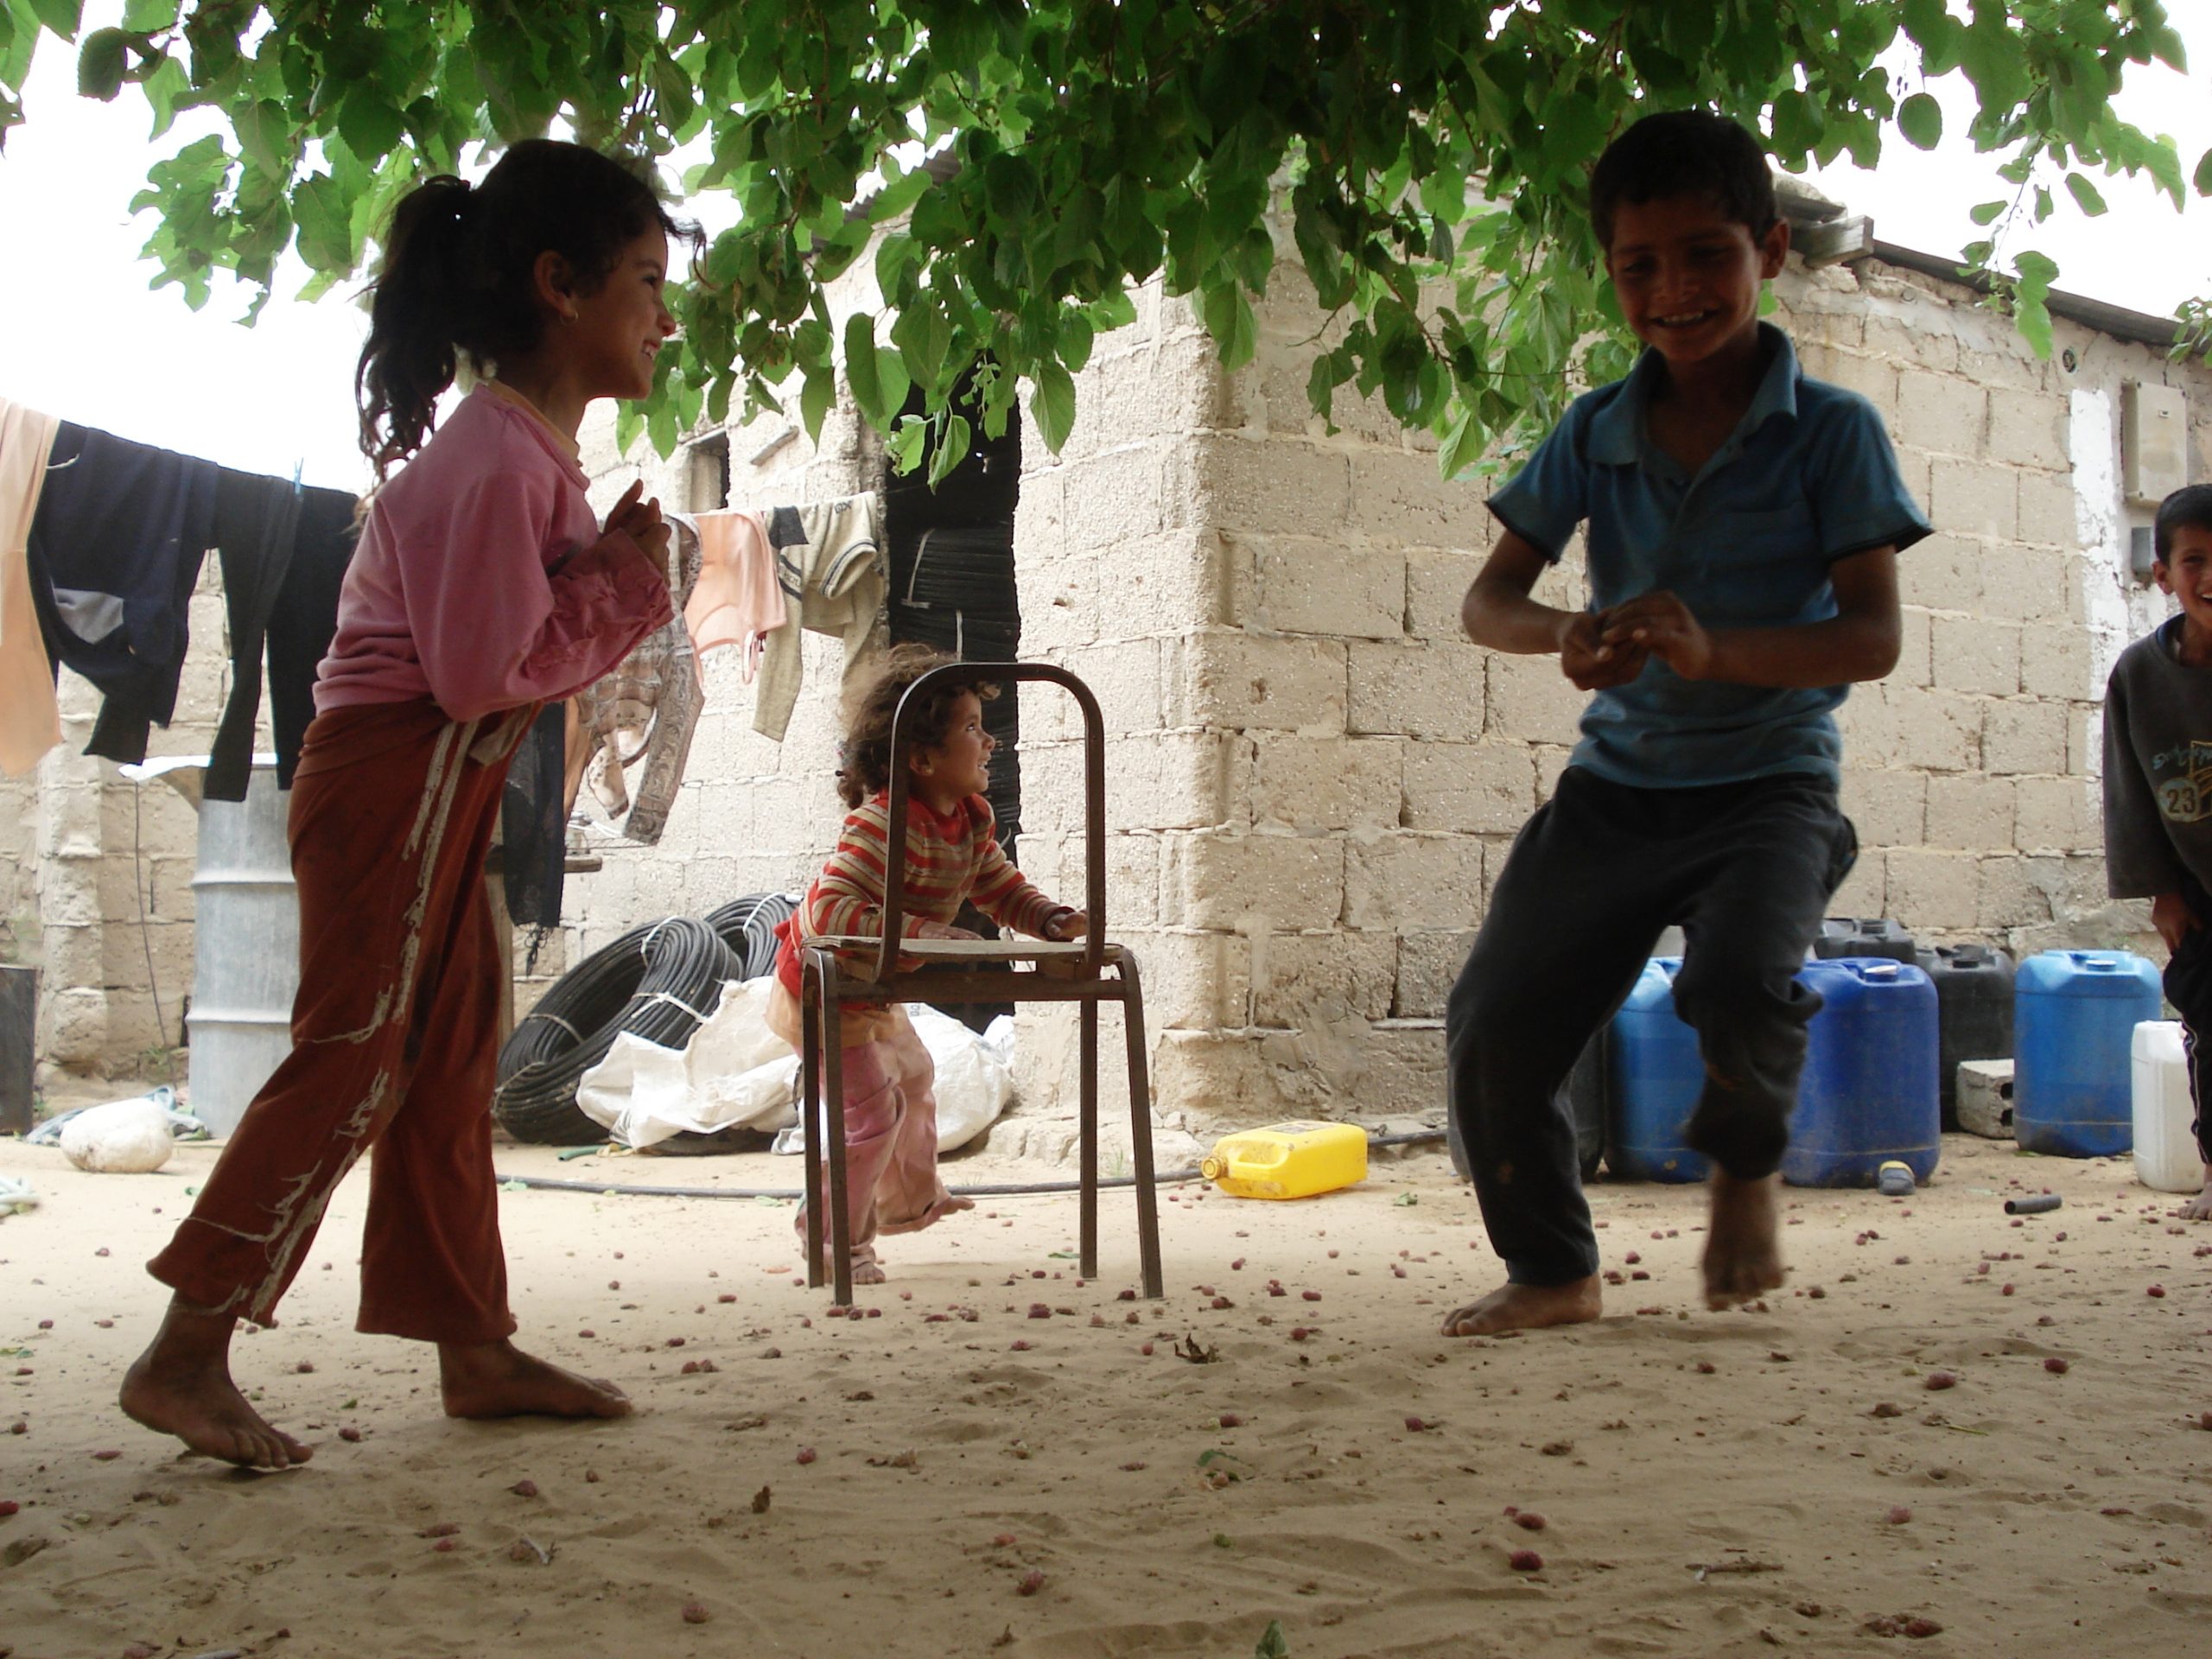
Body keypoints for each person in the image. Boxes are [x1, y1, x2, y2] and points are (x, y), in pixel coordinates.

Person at [120, 141, 689, 1469]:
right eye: (646, 282)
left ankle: (473, 1344)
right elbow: (489, 669)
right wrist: (620, 579)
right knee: (364, 1047)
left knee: (445, 1056)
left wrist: (607, 568)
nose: (665, 317)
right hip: (400, 772)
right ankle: (184, 1353)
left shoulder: (519, 450)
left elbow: (502, 660)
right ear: (559, 284)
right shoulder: (499, 458)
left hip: (427, 775)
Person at [1443, 110, 1931, 1336]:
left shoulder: (1834, 434)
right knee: (1494, 1025)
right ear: (1612, 275)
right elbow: (1487, 600)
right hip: (1617, 792)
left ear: (1767, 248)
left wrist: (1720, 653)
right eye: (1640, 266)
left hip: (1772, 783)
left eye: (1707, 254)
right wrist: (1563, 631)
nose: (1676, 291)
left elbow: (1872, 639)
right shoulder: (1594, 431)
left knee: (1738, 984)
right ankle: (1556, 1272)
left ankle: (1746, 1170)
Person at [766, 645, 1087, 1285]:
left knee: (916, 1079)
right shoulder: (880, 822)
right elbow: (829, 912)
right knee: (870, 1117)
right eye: (970, 728)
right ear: (921, 759)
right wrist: (921, 933)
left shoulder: (969, 820)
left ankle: (910, 1204)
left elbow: (996, 885)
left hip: (875, 987)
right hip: (823, 990)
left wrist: (1050, 919)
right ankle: (831, 1240)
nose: (988, 742)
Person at [2102, 482, 2212, 1223]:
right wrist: (2160, 890)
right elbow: (2130, 791)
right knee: (2209, 1020)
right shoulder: (2141, 676)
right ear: (2163, 575)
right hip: (2200, 889)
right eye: (2195, 560)